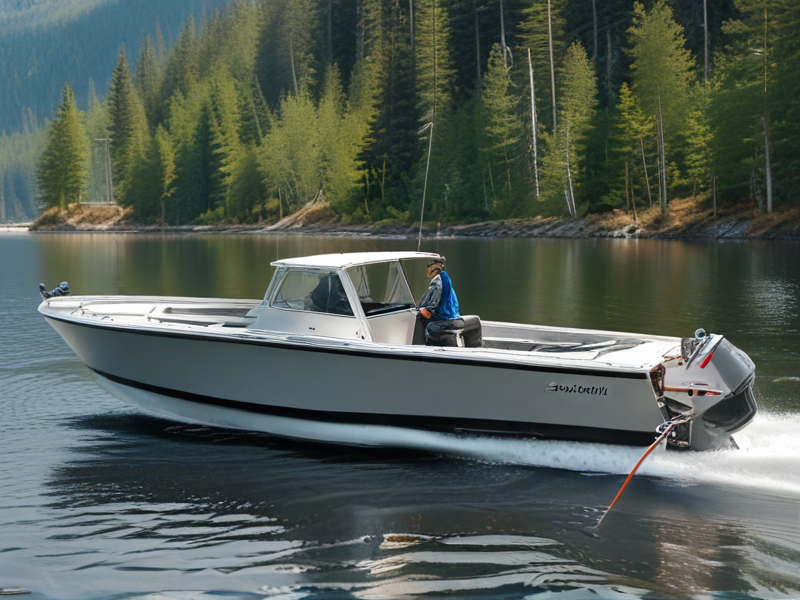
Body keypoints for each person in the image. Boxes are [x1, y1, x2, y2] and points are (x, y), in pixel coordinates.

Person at [417, 258, 462, 345]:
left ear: (433, 270)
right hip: (456, 318)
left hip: (446, 321)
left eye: (428, 271)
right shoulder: (446, 281)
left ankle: (430, 351)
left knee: (430, 327)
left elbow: (428, 313)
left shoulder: (437, 284)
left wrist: (421, 309)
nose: (427, 274)